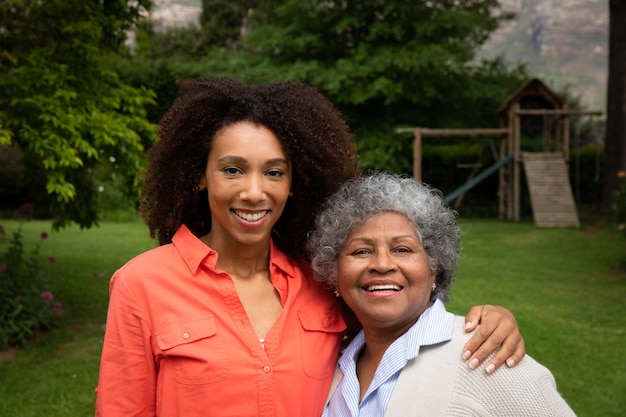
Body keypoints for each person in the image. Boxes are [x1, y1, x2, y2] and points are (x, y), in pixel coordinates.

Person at [95, 76, 525, 417]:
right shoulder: (141, 284)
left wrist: (489, 319)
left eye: (274, 172)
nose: (254, 192)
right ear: (199, 175)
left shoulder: (321, 279)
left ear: (293, 183)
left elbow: (398, 329)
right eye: (232, 169)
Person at [308, 171, 576, 417]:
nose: (382, 264)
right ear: (334, 272)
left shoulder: (484, 354)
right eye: (361, 251)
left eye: (402, 249)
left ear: (434, 268)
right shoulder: (330, 364)